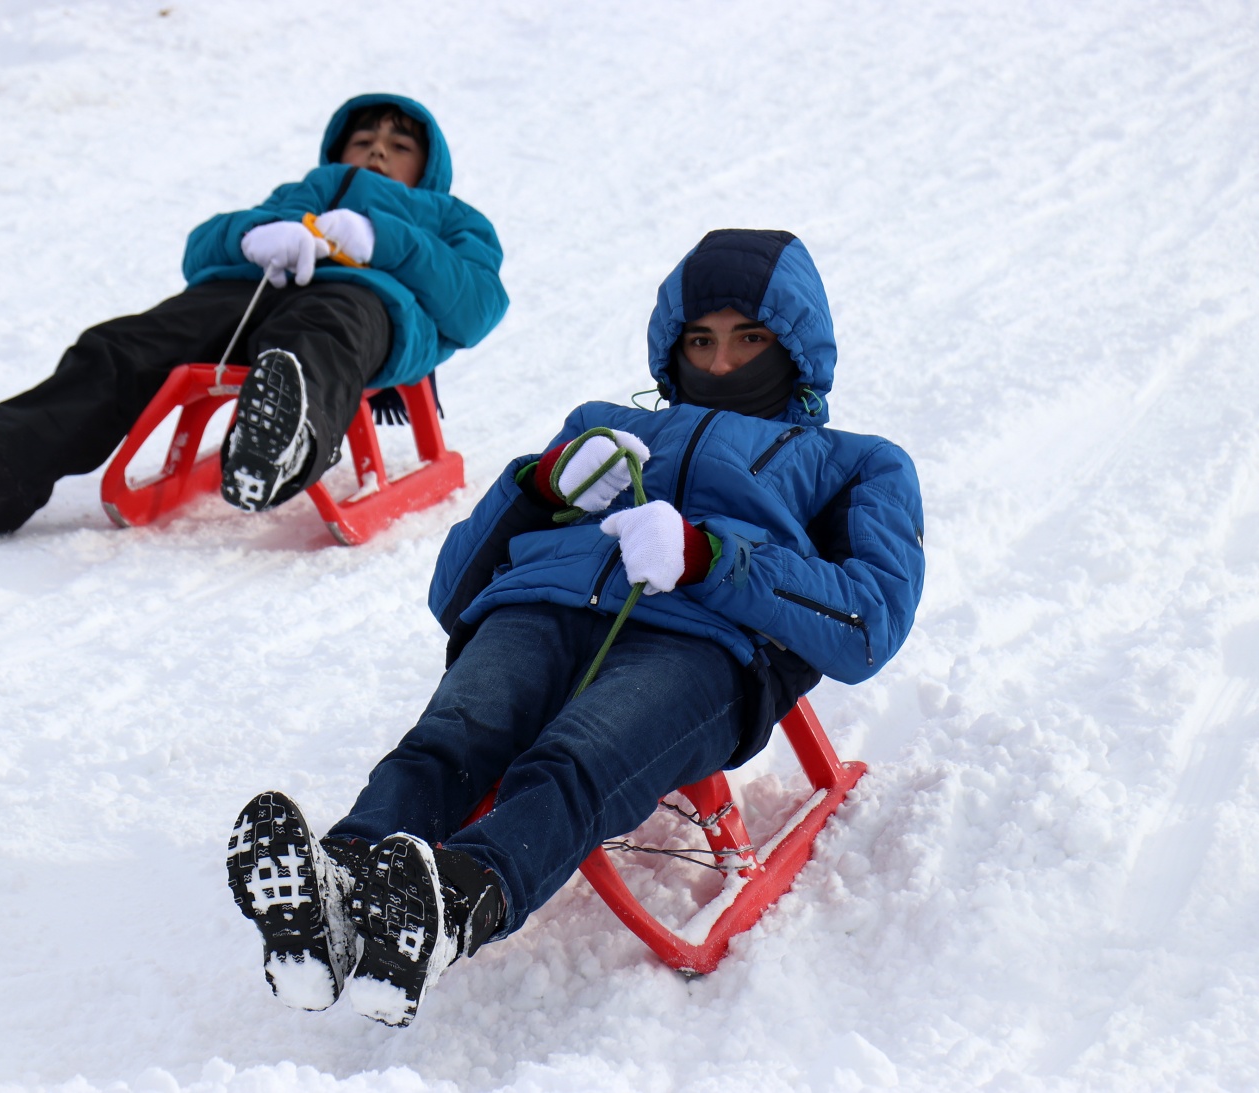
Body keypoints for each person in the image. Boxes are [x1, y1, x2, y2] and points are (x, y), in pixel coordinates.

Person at [226, 229, 927, 1027]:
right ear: (673, 344)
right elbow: (451, 590)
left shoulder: (856, 464)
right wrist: (538, 482)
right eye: (701, 339)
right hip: (538, 609)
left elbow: (870, 619)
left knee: (576, 758)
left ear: (795, 346)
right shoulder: (601, 424)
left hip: (698, 643)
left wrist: (709, 558)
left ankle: (451, 904)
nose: (722, 362)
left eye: (748, 339)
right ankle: (334, 890)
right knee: (448, 741)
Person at [0, 94, 507, 537]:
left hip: (365, 306)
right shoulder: (294, 198)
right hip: (249, 293)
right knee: (124, 347)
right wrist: (255, 237)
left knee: (317, 335)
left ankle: (280, 447)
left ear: (429, 168)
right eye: (362, 140)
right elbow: (200, 249)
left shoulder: (449, 218)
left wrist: (383, 240)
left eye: (397, 145)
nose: (375, 152)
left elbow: (476, 304)